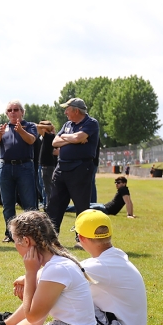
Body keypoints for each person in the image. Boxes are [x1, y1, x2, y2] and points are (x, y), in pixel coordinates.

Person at [74, 210, 147, 325]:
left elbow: (56, 277)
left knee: (68, 295)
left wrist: (28, 277)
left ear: (81, 238)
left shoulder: (100, 266)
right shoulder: (112, 258)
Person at [47, 98, 100, 236]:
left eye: (67, 109)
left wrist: (71, 138)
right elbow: (55, 142)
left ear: (76, 110)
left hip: (81, 168)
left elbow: (77, 138)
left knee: (81, 205)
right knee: (55, 204)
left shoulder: (91, 123)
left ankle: (81, 238)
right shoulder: (67, 125)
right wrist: (71, 138)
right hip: (61, 168)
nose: (65, 112)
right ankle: (52, 236)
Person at [0, 101, 38, 243]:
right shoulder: (3, 128)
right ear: (6, 113)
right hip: (5, 167)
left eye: (16, 109)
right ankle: (11, 233)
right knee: (8, 203)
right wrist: (0, 133)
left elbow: (31, 140)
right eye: (9, 110)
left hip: (24, 167)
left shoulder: (30, 126)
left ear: (22, 112)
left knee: (29, 202)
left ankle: (30, 233)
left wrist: (21, 131)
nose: (12, 112)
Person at [37, 120, 58, 209]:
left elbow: (37, 127)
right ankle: (48, 204)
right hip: (47, 165)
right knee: (46, 186)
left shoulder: (49, 136)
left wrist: (43, 125)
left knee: (47, 187)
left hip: (47, 166)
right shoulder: (51, 136)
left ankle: (49, 205)